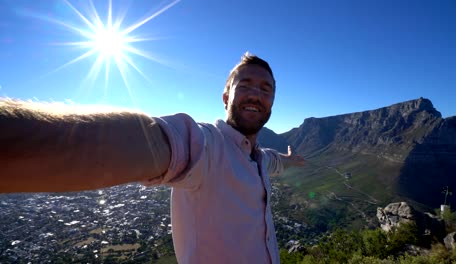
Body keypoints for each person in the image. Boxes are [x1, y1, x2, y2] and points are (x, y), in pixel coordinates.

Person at [0, 53, 305, 263]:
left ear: (272, 103)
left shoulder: (259, 160)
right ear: (226, 97)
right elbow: (150, 140)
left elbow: (272, 160)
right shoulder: (207, 146)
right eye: (246, 85)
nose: (256, 94)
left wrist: (290, 160)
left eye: (266, 89)